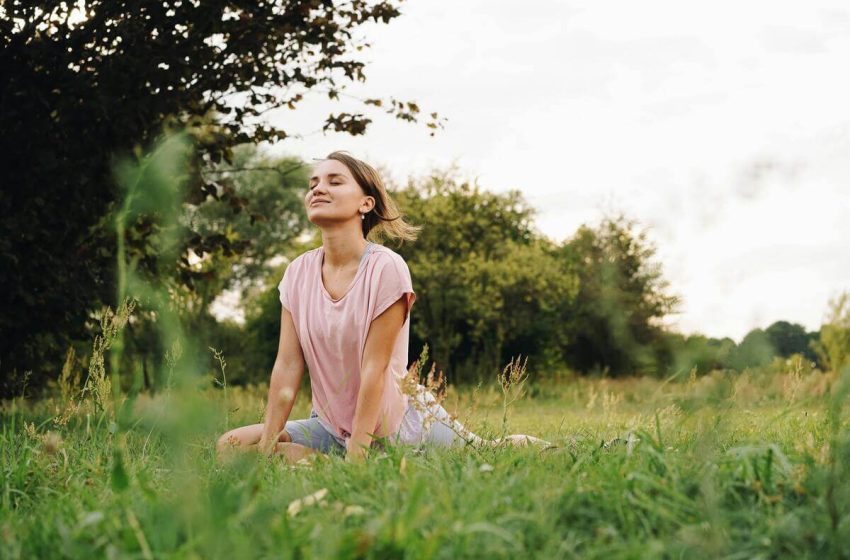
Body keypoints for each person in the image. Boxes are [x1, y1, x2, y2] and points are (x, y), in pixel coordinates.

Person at [216, 151, 547, 464]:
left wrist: (356, 460)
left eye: (334, 181)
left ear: (366, 202)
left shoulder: (386, 268)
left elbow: (374, 369)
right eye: (313, 183)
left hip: (397, 425)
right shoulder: (296, 274)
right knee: (231, 446)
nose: (318, 188)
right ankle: (329, 462)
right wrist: (268, 445)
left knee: (489, 453)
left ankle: (558, 448)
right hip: (332, 427)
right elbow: (287, 365)